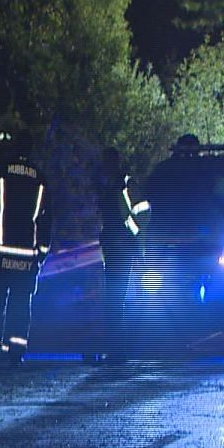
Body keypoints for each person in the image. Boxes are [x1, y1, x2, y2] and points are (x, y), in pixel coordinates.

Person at [0, 129, 52, 364]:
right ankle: (15, 351)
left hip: (1, 252)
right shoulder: (40, 178)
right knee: (21, 304)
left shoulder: (0, 174)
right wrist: (42, 252)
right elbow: (46, 219)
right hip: (27, 254)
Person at [93, 146, 150, 363]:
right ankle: (116, 349)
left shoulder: (125, 184)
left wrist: (132, 235)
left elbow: (142, 213)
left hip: (123, 247)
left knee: (117, 299)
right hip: (114, 246)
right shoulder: (108, 185)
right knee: (115, 299)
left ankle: (119, 351)